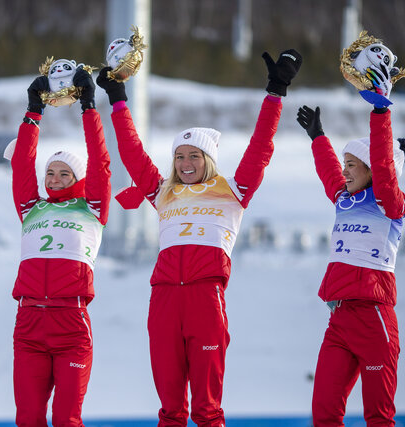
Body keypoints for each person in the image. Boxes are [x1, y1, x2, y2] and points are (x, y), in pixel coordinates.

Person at [96, 49, 302, 426]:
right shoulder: (162, 192)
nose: (185, 164)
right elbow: (131, 151)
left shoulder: (234, 190)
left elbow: (260, 147)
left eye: (194, 156)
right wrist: (117, 99)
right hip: (163, 300)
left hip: (205, 299)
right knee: (171, 409)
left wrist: (275, 91)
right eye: (179, 157)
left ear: (207, 159)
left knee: (208, 409)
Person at [296, 76, 405, 425]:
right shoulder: (344, 200)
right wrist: (318, 137)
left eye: (352, 164)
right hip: (339, 319)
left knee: (378, 416)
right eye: (345, 164)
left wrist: (380, 110)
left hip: (374, 317)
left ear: (371, 170)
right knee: (324, 414)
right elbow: (328, 171)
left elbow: (384, 166)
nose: (345, 171)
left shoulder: (389, 203)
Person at [8, 66, 111, 426]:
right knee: (29, 418)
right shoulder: (30, 207)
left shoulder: (92, 207)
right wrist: (33, 111)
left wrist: (89, 107)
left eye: (64, 173)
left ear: (78, 177)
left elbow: (101, 162)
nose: (54, 179)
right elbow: (21, 164)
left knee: (67, 418)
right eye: (50, 172)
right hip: (30, 321)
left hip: (71, 323)